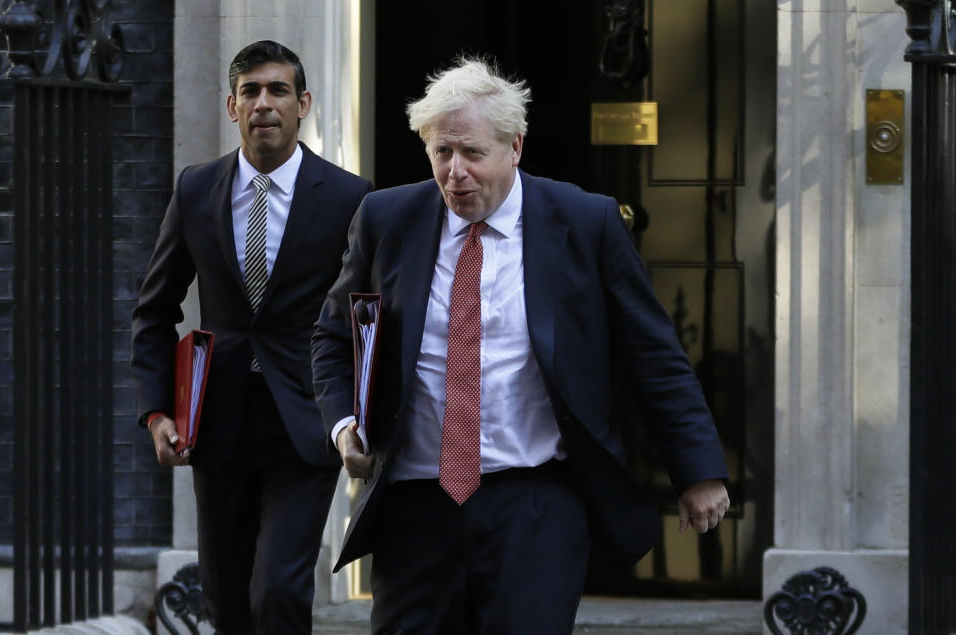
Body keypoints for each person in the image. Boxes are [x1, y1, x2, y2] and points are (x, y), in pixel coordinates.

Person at [310, 58, 729, 634]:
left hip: (534, 501)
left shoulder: (585, 222)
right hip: (414, 503)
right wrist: (342, 424)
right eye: (441, 153)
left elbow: (653, 354)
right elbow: (334, 335)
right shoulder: (387, 217)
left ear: (516, 147)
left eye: (473, 153)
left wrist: (699, 469)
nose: (455, 172)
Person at [131, 40, 371, 634]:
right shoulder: (195, 190)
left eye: (278, 90)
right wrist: (158, 411)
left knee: (280, 592)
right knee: (226, 597)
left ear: (304, 103)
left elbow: (371, 318)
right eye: (251, 92)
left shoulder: (351, 197)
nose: (264, 103)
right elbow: (155, 309)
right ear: (232, 106)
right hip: (218, 424)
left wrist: (362, 413)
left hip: (306, 421)